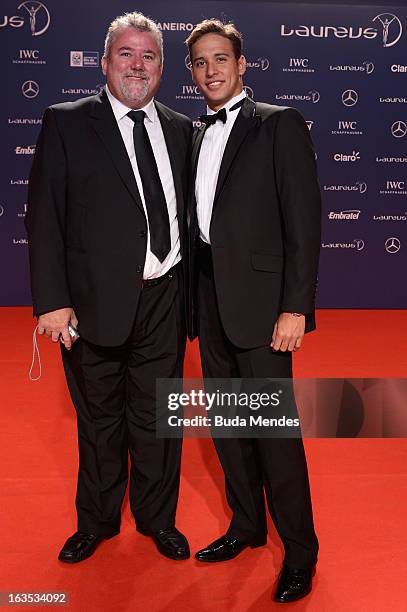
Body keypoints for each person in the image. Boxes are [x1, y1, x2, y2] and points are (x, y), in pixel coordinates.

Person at [25, 11, 192, 564]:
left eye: (148, 55)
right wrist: (51, 301)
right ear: (105, 62)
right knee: (100, 421)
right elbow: (44, 219)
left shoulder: (179, 127)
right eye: (126, 53)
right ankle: (96, 522)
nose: (137, 65)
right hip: (93, 303)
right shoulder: (67, 122)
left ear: (162, 68)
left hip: (165, 298)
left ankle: (156, 519)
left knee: (158, 420)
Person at [186, 20, 321, 603]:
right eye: (200, 62)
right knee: (227, 425)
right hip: (208, 300)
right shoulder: (193, 133)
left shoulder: (279, 123)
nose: (211, 70)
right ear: (191, 72)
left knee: (273, 432)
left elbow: (304, 225)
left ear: (243, 65)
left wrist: (295, 308)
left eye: (222, 59)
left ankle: (300, 550)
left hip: (263, 307)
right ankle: (246, 525)